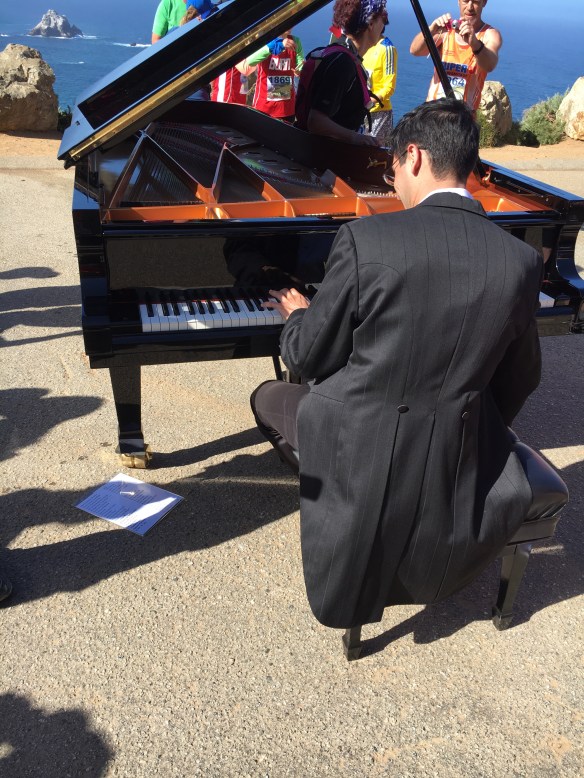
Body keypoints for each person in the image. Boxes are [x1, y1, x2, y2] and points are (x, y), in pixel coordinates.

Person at [250, 98, 557, 630]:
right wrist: (465, 426)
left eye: (391, 169)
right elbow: (523, 375)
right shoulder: (521, 261)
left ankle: (329, 493)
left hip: (359, 442)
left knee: (266, 397)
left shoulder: (366, 239)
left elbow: (307, 356)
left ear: (413, 156)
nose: (392, 183)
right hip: (456, 445)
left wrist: (299, 315)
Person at [294, 0, 388, 146]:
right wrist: (355, 137)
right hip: (325, 154)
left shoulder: (341, 56)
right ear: (370, 24)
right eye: (383, 19)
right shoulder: (343, 63)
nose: (385, 25)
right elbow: (316, 121)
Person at [410, 0, 502, 112]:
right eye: (465, 1)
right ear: (458, 1)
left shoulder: (489, 34)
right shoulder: (447, 31)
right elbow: (415, 50)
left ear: (484, 2)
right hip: (434, 112)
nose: (470, 7)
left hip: (462, 116)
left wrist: (474, 43)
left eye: (475, 2)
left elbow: (489, 65)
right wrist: (431, 30)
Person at [241, 31, 304, 122]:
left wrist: (300, 70)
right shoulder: (266, 40)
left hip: (287, 108)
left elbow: (301, 64)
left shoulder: (295, 41)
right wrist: (279, 45)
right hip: (264, 107)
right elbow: (250, 61)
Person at [362, 32, 397, 146]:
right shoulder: (363, 44)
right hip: (359, 111)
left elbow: (389, 87)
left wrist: (368, 102)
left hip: (378, 114)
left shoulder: (387, 48)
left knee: (372, 153)